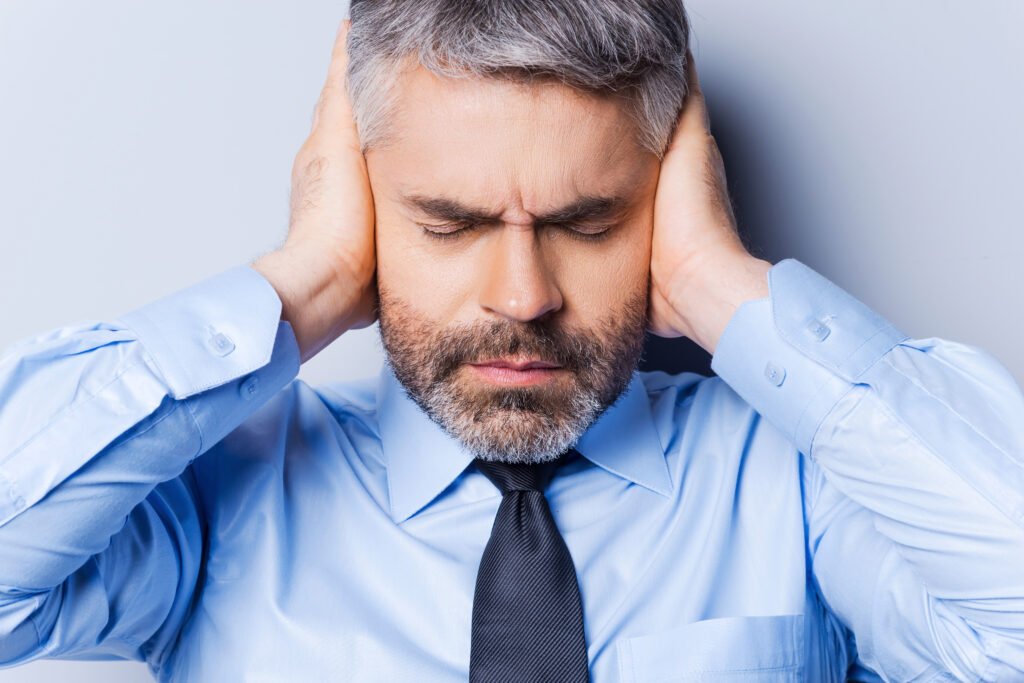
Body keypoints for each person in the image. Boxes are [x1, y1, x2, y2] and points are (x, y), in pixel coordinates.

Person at [1, 1, 1022, 680]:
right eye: (449, 222)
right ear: (360, 202)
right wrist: (300, 279)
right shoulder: (216, 494)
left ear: (666, 200)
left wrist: (720, 282)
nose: (523, 295)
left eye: (588, 223)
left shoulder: (795, 481)